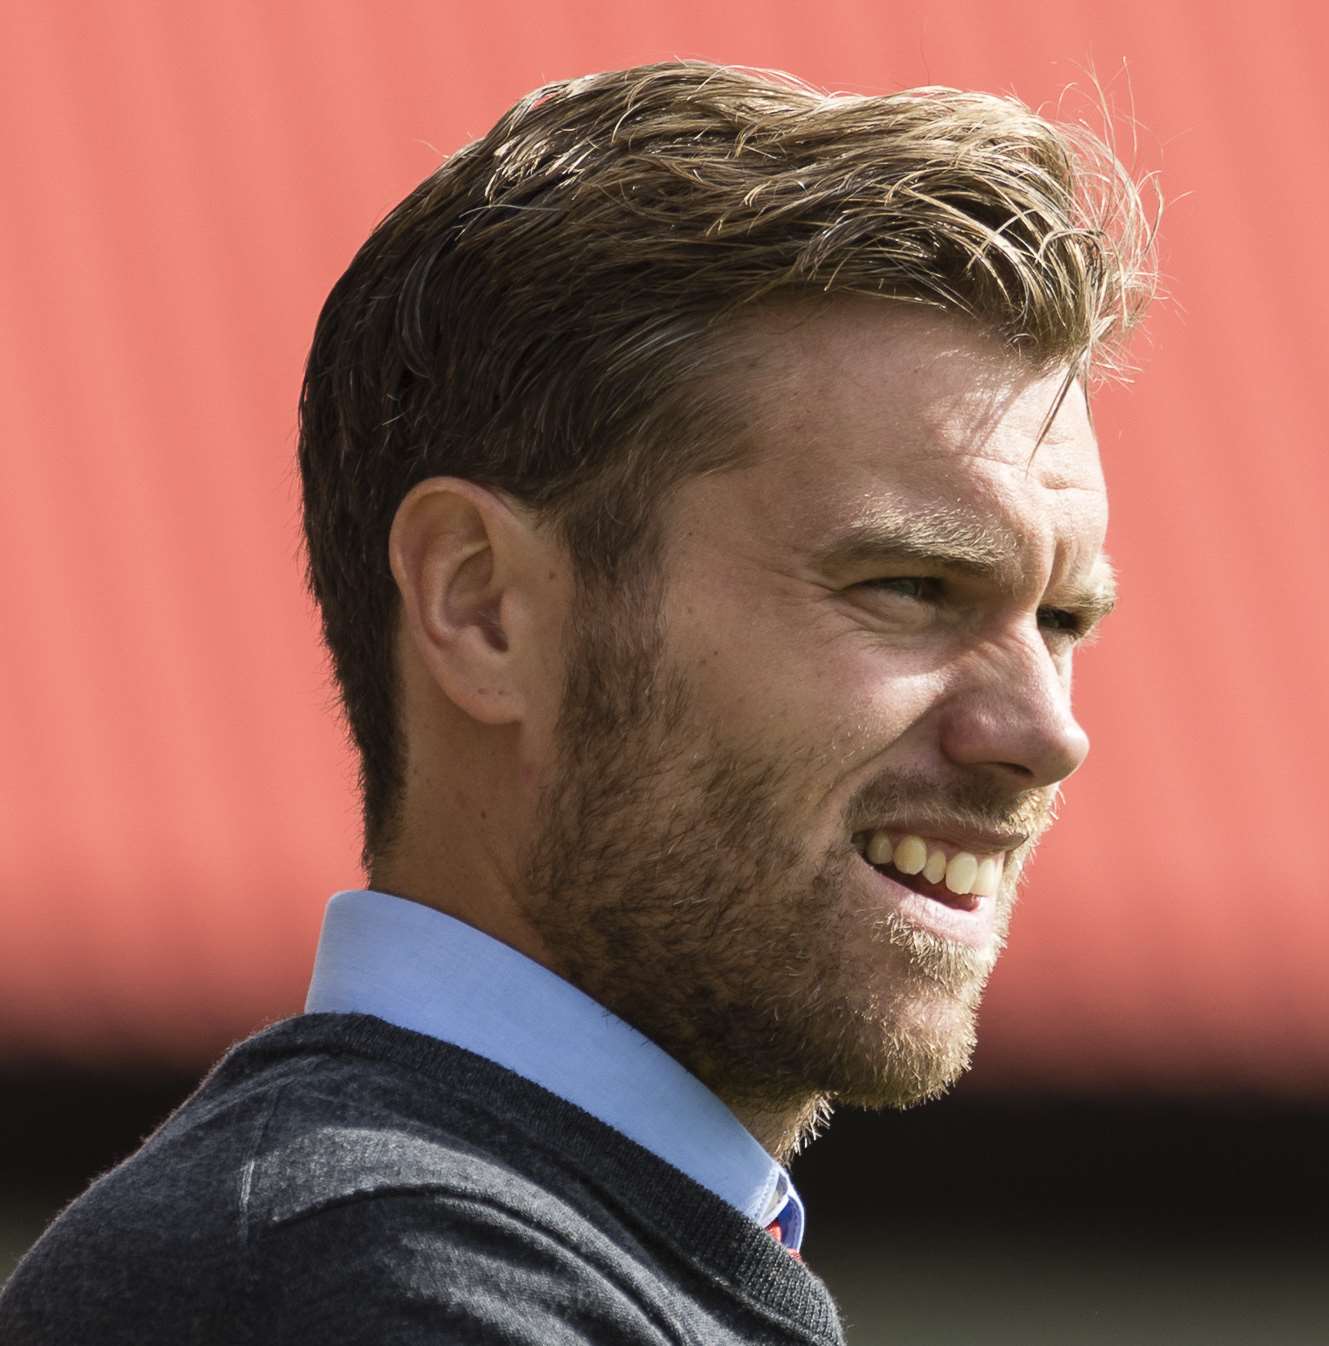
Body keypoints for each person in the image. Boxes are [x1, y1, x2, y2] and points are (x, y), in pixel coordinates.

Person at [0, 59, 1156, 1344]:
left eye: (1061, 620)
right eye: (909, 584)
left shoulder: (505, 1251)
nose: (1047, 730)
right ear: (485, 604)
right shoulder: (364, 1287)